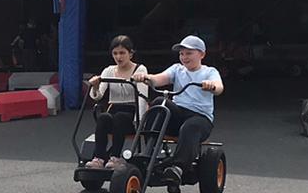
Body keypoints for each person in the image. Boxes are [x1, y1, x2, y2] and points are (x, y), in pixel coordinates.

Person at [133, 34, 223, 182]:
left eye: (189, 53)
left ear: (202, 54)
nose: (184, 57)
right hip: (178, 114)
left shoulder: (209, 72)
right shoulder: (177, 69)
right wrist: (146, 77)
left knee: (191, 126)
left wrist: (211, 85)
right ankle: (148, 154)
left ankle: (178, 167)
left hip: (200, 118)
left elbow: (219, 87)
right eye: (181, 54)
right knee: (160, 102)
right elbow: (159, 79)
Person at [82, 36, 148, 169]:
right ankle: (99, 158)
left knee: (120, 117)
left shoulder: (140, 70)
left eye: (122, 53)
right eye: (115, 53)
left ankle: (115, 157)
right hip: (114, 109)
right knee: (103, 117)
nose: (119, 57)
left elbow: (142, 97)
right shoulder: (108, 71)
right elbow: (97, 96)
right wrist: (95, 86)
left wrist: (139, 121)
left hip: (132, 113)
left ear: (130, 54)